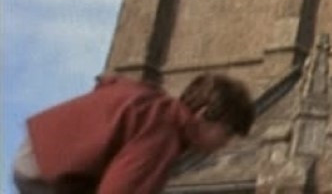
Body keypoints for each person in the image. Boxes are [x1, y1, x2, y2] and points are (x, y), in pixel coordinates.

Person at [12, 73, 255, 194]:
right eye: (227, 132)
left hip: (42, 152)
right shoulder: (163, 132)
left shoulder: (156, 106)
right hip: (48, 170)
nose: (226, 143)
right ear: (204, 114)